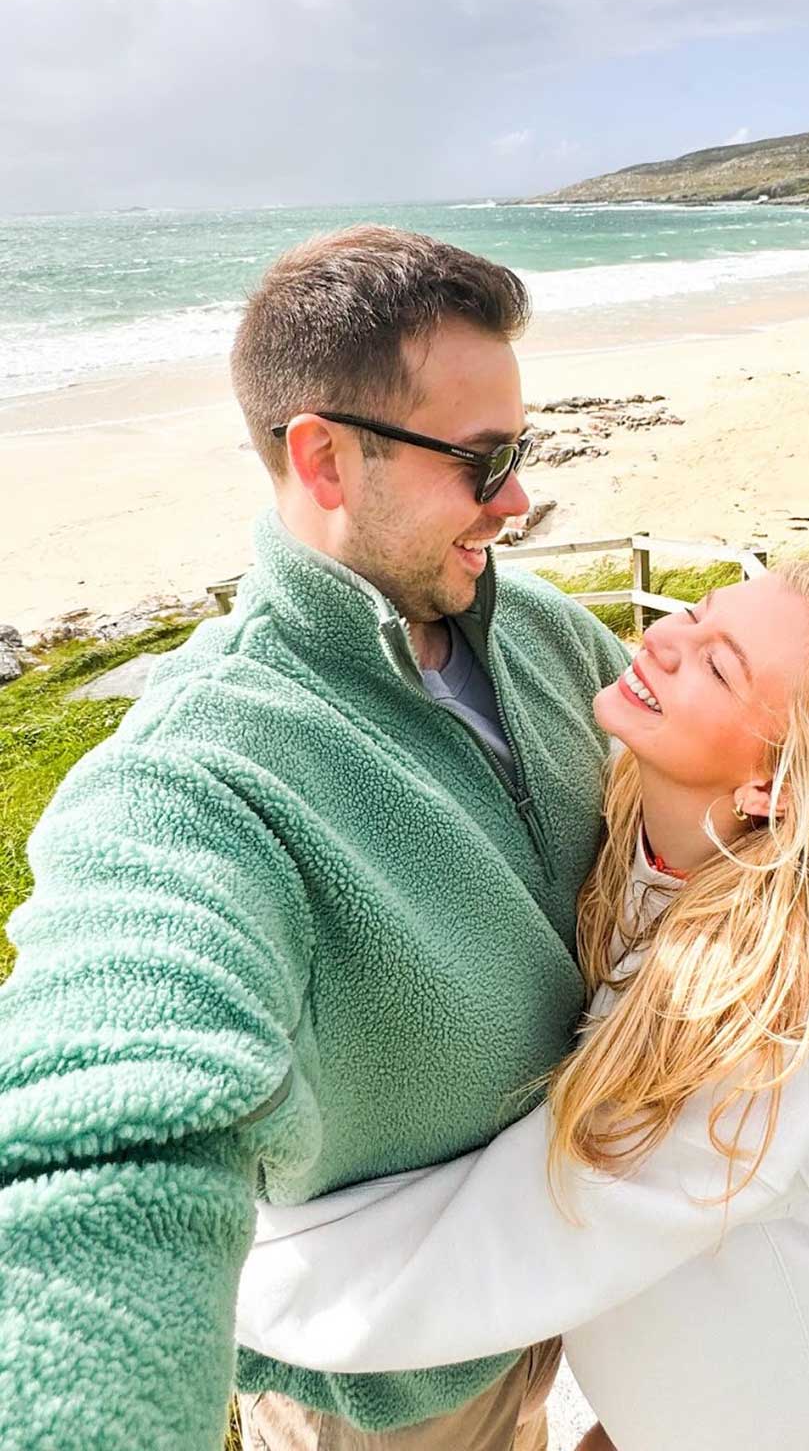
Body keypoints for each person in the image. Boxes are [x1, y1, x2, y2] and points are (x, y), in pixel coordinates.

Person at [0, 227, 631, 1451]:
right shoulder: (197, 776)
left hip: (599, 1273)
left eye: (522, 450)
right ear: (326, 458)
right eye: (484, 460)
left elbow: (730, 820)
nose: (518, 500)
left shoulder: (558, 642)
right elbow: (114, 1114)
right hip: (398, 1382)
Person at [235, 559, 809, 1449]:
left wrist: (212, 1272)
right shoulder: (669, 820)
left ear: (776, 791)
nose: (662, 640)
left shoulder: (775, 1001)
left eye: (719, 665)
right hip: (698, 1397)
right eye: (694, 612)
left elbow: (529, 1230)